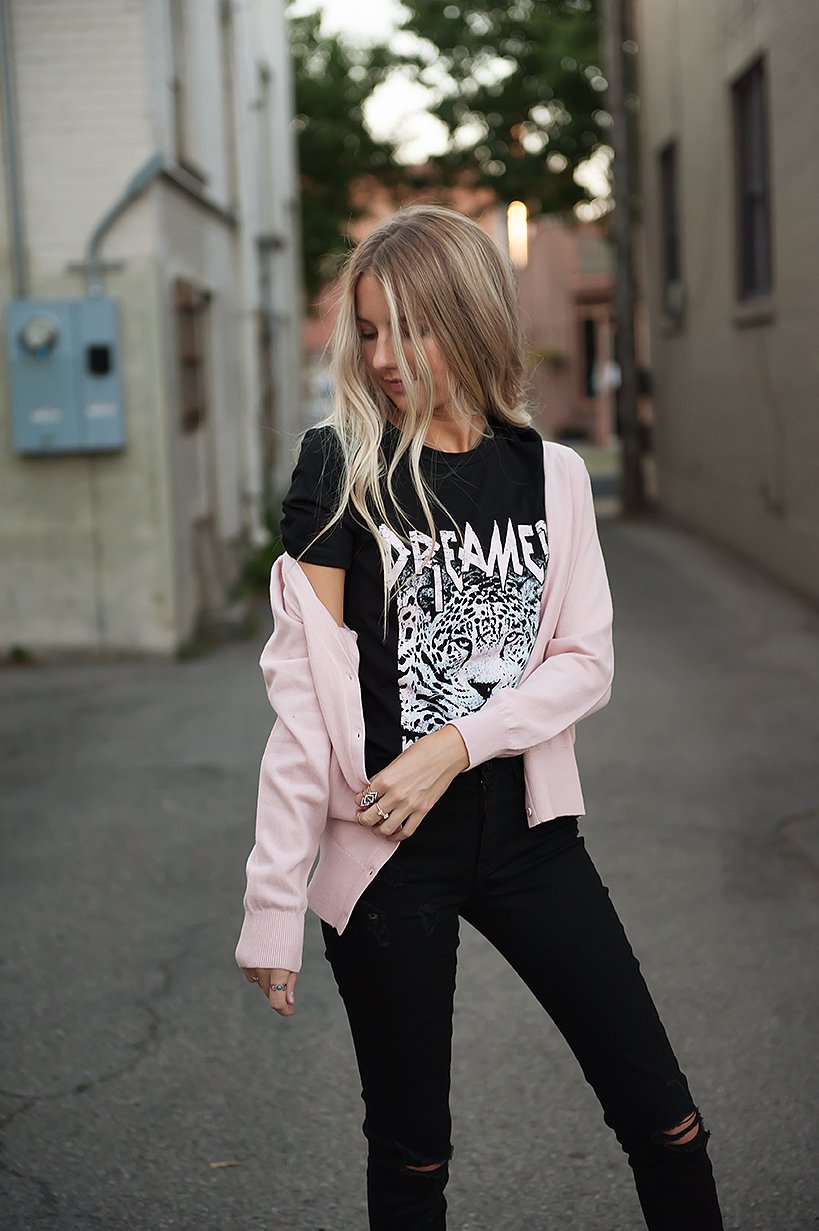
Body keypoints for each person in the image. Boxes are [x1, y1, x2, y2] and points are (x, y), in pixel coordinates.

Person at [236, 205, 724, 1231]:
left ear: (468, 317)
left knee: (665, 1116)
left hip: (528, 840)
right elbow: (300, 714)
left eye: (409, 327)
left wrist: (455, 744)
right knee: (413, 1161)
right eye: (367, 332)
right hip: (383, 856)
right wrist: (274, 898)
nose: (385, 356)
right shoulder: (338, 471)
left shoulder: (551, 477)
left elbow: (584, 662)